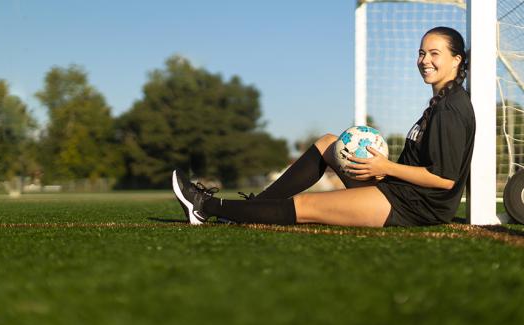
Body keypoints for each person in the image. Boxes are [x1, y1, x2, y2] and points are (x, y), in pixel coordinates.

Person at [172, 26, 475, 227]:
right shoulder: (440, 103)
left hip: (416, 207)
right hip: (401, 191)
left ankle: (206, 206)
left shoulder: (451, 109)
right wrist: (383, 171)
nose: (424, 60)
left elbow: (445, 179)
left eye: (435, 53)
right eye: (422, 53)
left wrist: (385, 168)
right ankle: (255, 208)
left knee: (306, 206)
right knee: (327, 142)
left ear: (456, 60)